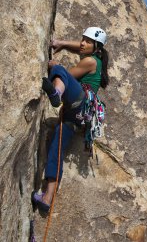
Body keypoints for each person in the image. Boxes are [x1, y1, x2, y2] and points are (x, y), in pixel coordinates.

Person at [32, 27, 109, 212]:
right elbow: (81, 47)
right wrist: (63, 43)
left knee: (60, 70)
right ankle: (47, 198)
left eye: (87, 41)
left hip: (80, 102)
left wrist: (55, 66)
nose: (82, 43)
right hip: (75, 116)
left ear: (96, 47)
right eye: (82, 39)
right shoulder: (94, 56)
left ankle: (57, 93)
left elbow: (69, 74)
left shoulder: (91, 61)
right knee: (56, 150)